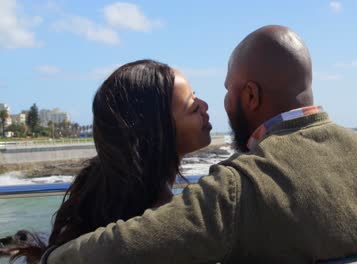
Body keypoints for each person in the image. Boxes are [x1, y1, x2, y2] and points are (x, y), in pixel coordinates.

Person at [42, 25, 357, 264]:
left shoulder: (242, 185)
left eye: (227, 89)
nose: (213, 104)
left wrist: (52, 259)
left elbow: (129, 245)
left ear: (250, 95)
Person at [6, 59, 212, 263]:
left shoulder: (105, 198)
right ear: (158, 132)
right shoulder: (159, 225)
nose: (205, 106)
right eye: (193, 108)